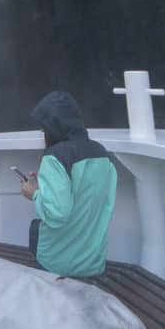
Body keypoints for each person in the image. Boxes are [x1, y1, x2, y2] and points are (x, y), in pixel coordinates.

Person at [21, 90, 117, 278]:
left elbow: (57, 214)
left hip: (58, 264)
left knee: (35, 229)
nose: (43, 134)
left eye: (43, 129)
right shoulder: (102, 154)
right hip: (93, 263)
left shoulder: (55, 156)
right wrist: (46, 187)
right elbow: (99, 202)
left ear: (52, 127)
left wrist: (34, 194)